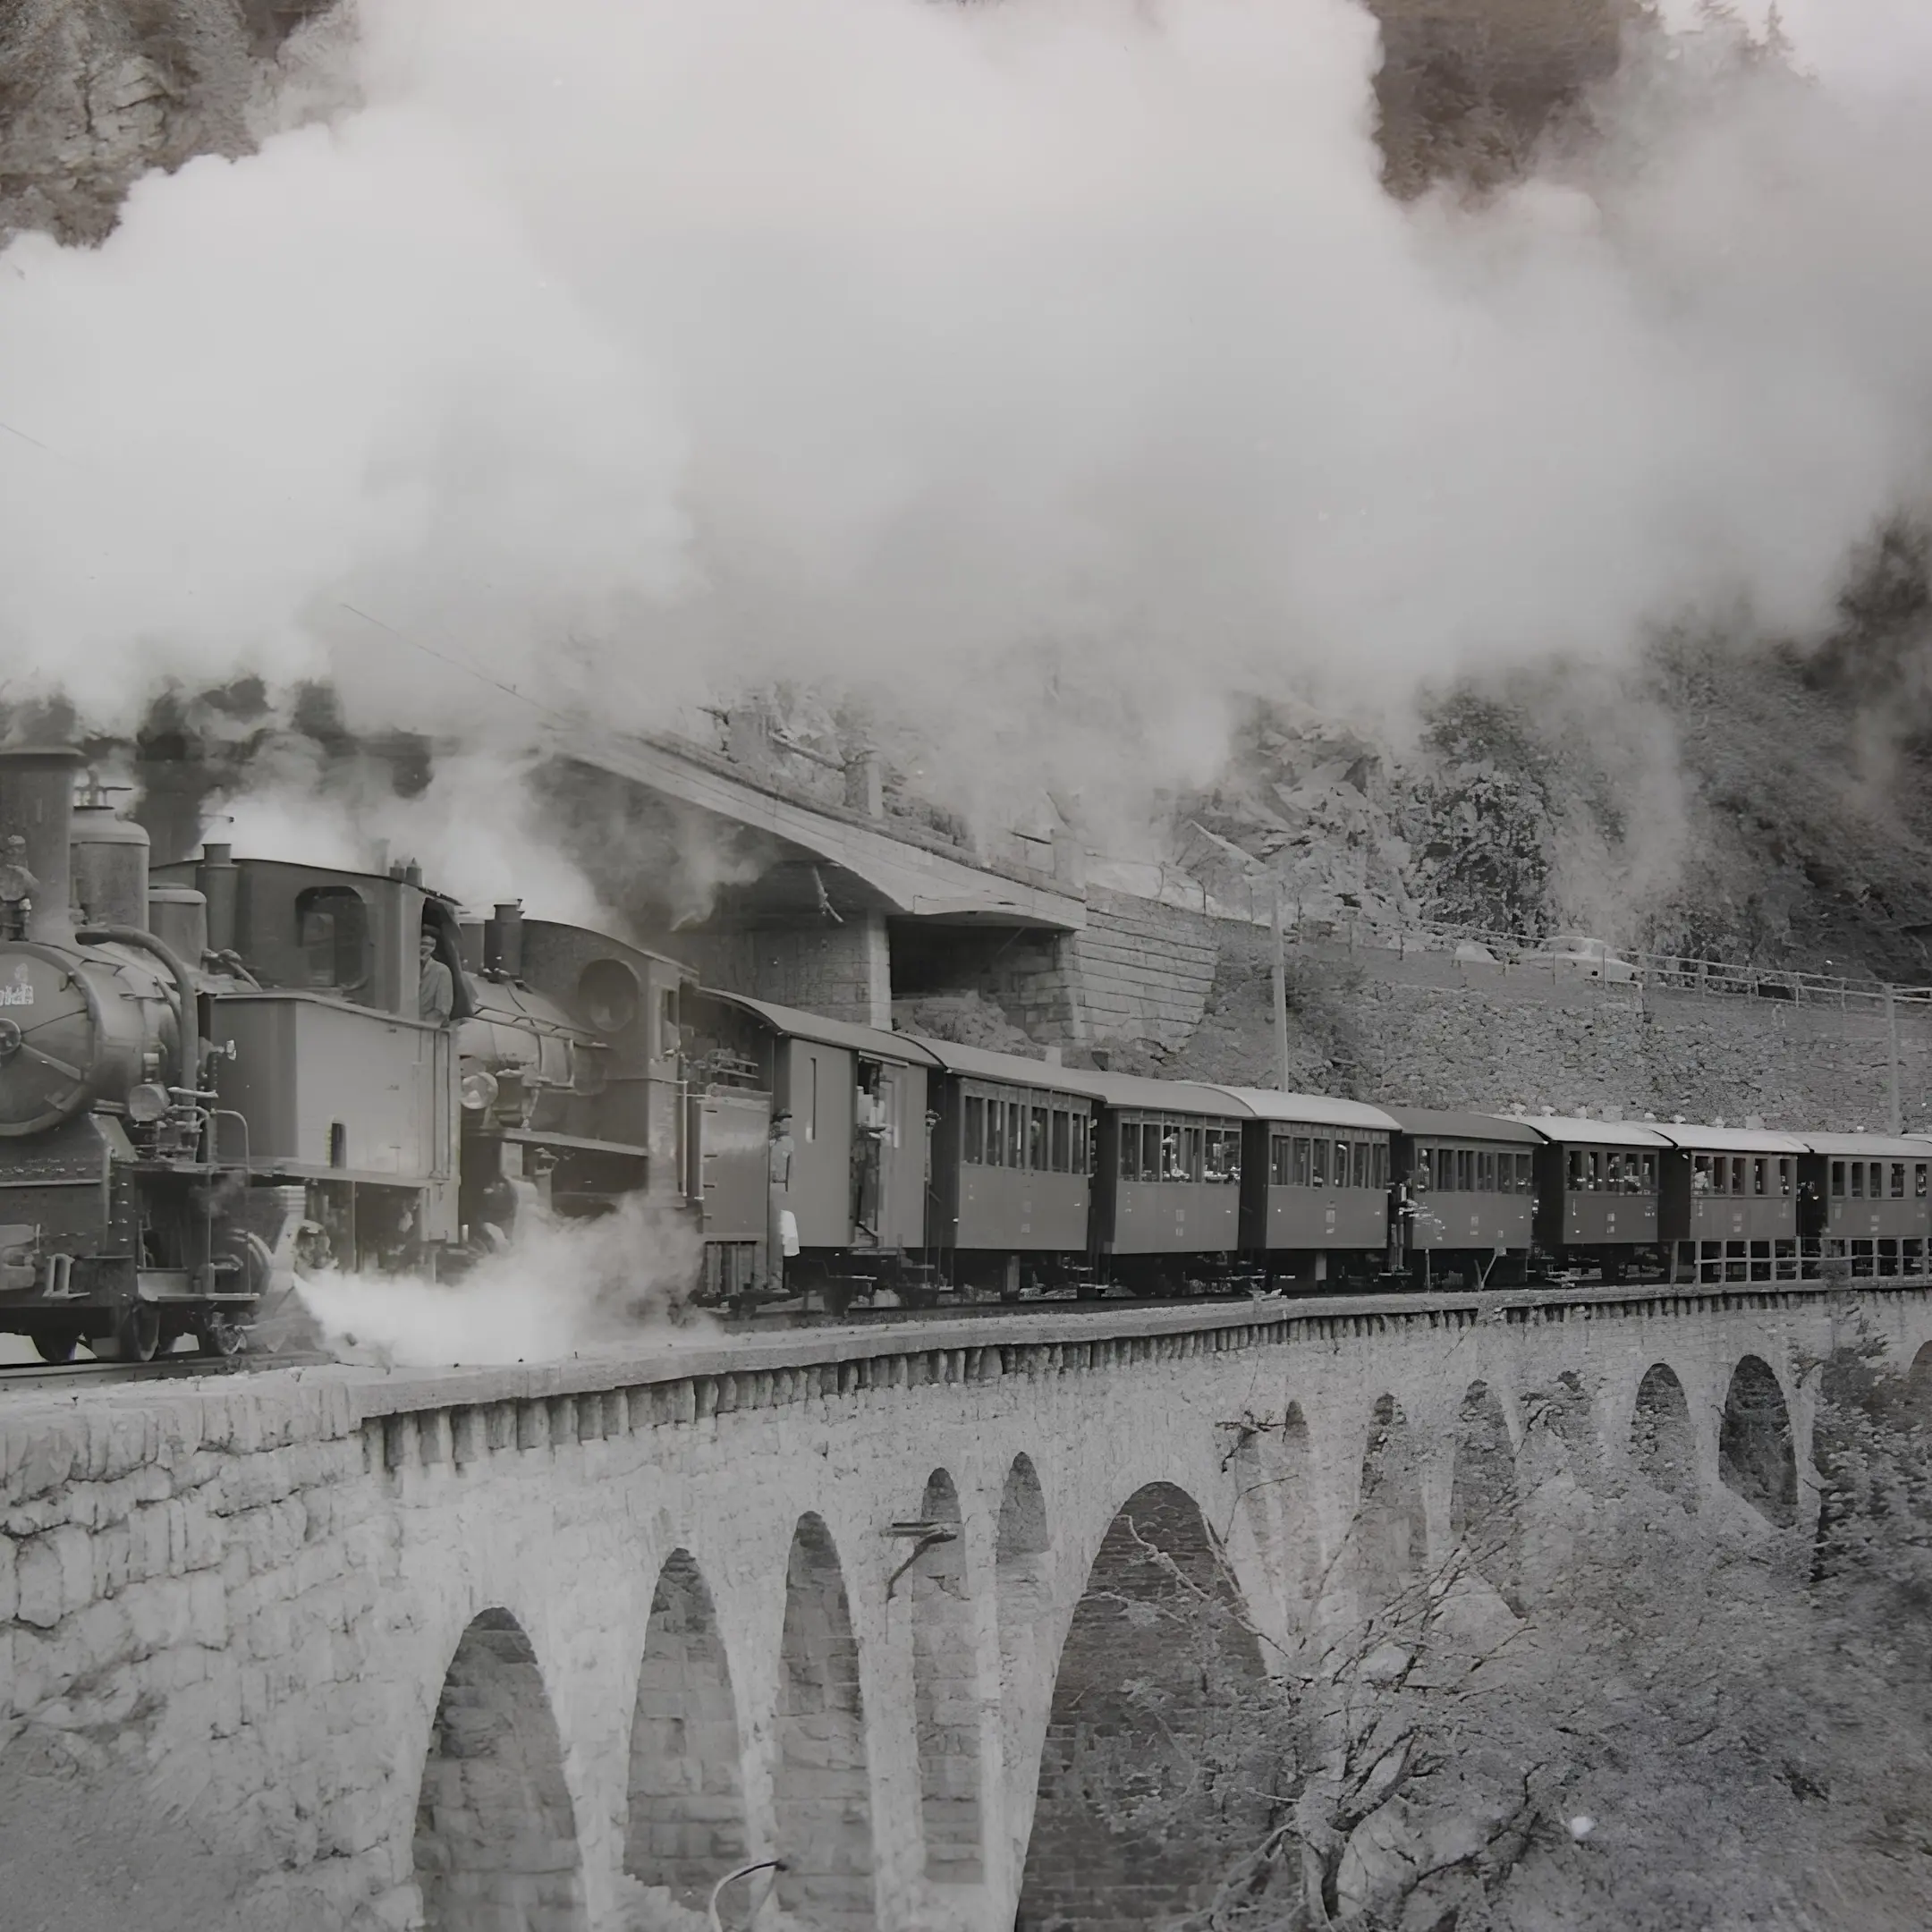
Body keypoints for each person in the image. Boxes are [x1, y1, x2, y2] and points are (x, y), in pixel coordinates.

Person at [767, 1110, 795, 1297]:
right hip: (764, 1186)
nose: (782, 1126)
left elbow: (793, 1171)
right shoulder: (770, 1143)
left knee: (777, 1236)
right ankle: (762, 1279)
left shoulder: (790, 1144)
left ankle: (775, 1280)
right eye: (780, 1122)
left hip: (779, 1187)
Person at [0, 835, 38, 940]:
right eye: (12, 850)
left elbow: (35, 889)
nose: (15, 853)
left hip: (20, 910)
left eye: (19, 849)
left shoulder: (24, 872)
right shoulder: (7, 871)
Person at [419, 927, 454, 1026]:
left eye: (429, 945)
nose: (424, 949)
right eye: (422, 943)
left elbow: (442, 1010)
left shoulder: (442, 971)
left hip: (429, 1029)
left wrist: (420, 1022)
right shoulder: (406, 969)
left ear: (434, 948)